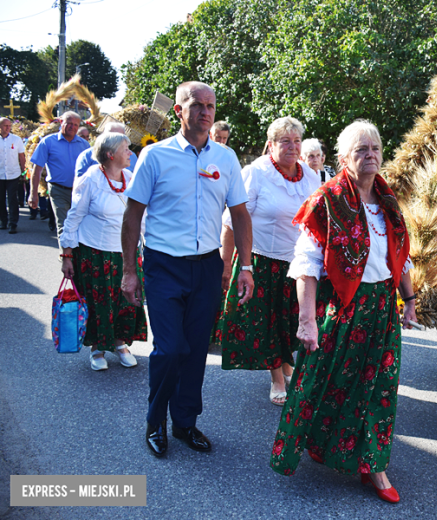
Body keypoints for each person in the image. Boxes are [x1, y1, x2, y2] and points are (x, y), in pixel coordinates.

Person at [270, 120, 416, 504]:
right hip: (342, 309)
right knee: (321, 384)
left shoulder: (388, 200)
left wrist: (410, 300)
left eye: (375, 149)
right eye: (361, 150)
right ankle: (305, 448)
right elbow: (306, 264)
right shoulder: (327, 200)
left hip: (382, 309)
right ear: (343, 158)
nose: (370, 155)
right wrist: (307, 321)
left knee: (377, 389)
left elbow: (401, 257)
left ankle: (374, 466)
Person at [121, 81, 254, 458]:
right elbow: (133, 216)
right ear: (179, 110)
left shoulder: (226, 159)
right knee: (169, 349)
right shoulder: (155, 156)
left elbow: (240, 214)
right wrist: (130, 271)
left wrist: (245, 266)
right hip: (163, 266)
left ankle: (184, 423)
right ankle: (154, 421)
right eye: (197, 105)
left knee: (195, 350)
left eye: (210, 106)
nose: (205, 112)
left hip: (207, 267)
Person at [214, 117, 319, 406]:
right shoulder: (255, 173)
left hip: (300, 263)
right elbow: (232, 223)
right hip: (262, 262)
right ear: (271, 144)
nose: (292, 147)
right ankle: (276, 378)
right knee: (270, 324)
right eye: (285, 141)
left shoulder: (310, 176)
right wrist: (226, 268)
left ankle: (286, 365)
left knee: (292, 320)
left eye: (296, 141)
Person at [59, 132, 147, 371]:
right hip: (96, 254)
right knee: (100, 303)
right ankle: (97, 349)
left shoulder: (130, 176)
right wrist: (66, 254)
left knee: (125, 301)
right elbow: (74, 216)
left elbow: (142, 217)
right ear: (110, 155)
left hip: (126, 254)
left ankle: (120, 344)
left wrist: (148, 245)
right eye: (125, 148)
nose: (130, 152)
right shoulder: (91, 179)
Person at [29, 111, 90, 237]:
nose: (72, 127)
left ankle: (76, 255)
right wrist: (33, 193)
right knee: (64, 225)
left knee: (79, 225)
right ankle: (65, 256)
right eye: (69, 123)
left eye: (76, 125)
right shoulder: (48, 142)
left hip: (79, 191)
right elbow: (37, 169)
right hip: (58, 190)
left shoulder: (84, 145)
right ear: (61, 122)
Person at [0, 117, 25, 234]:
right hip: (0, 174)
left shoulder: (17, 139)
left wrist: (24, 172)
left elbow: (21, 156)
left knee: (12, 199)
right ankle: (3, 221)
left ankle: (13, 223)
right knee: (1, 200)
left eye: (9, 125)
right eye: (5, 126)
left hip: (13, 174)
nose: (8, 128)